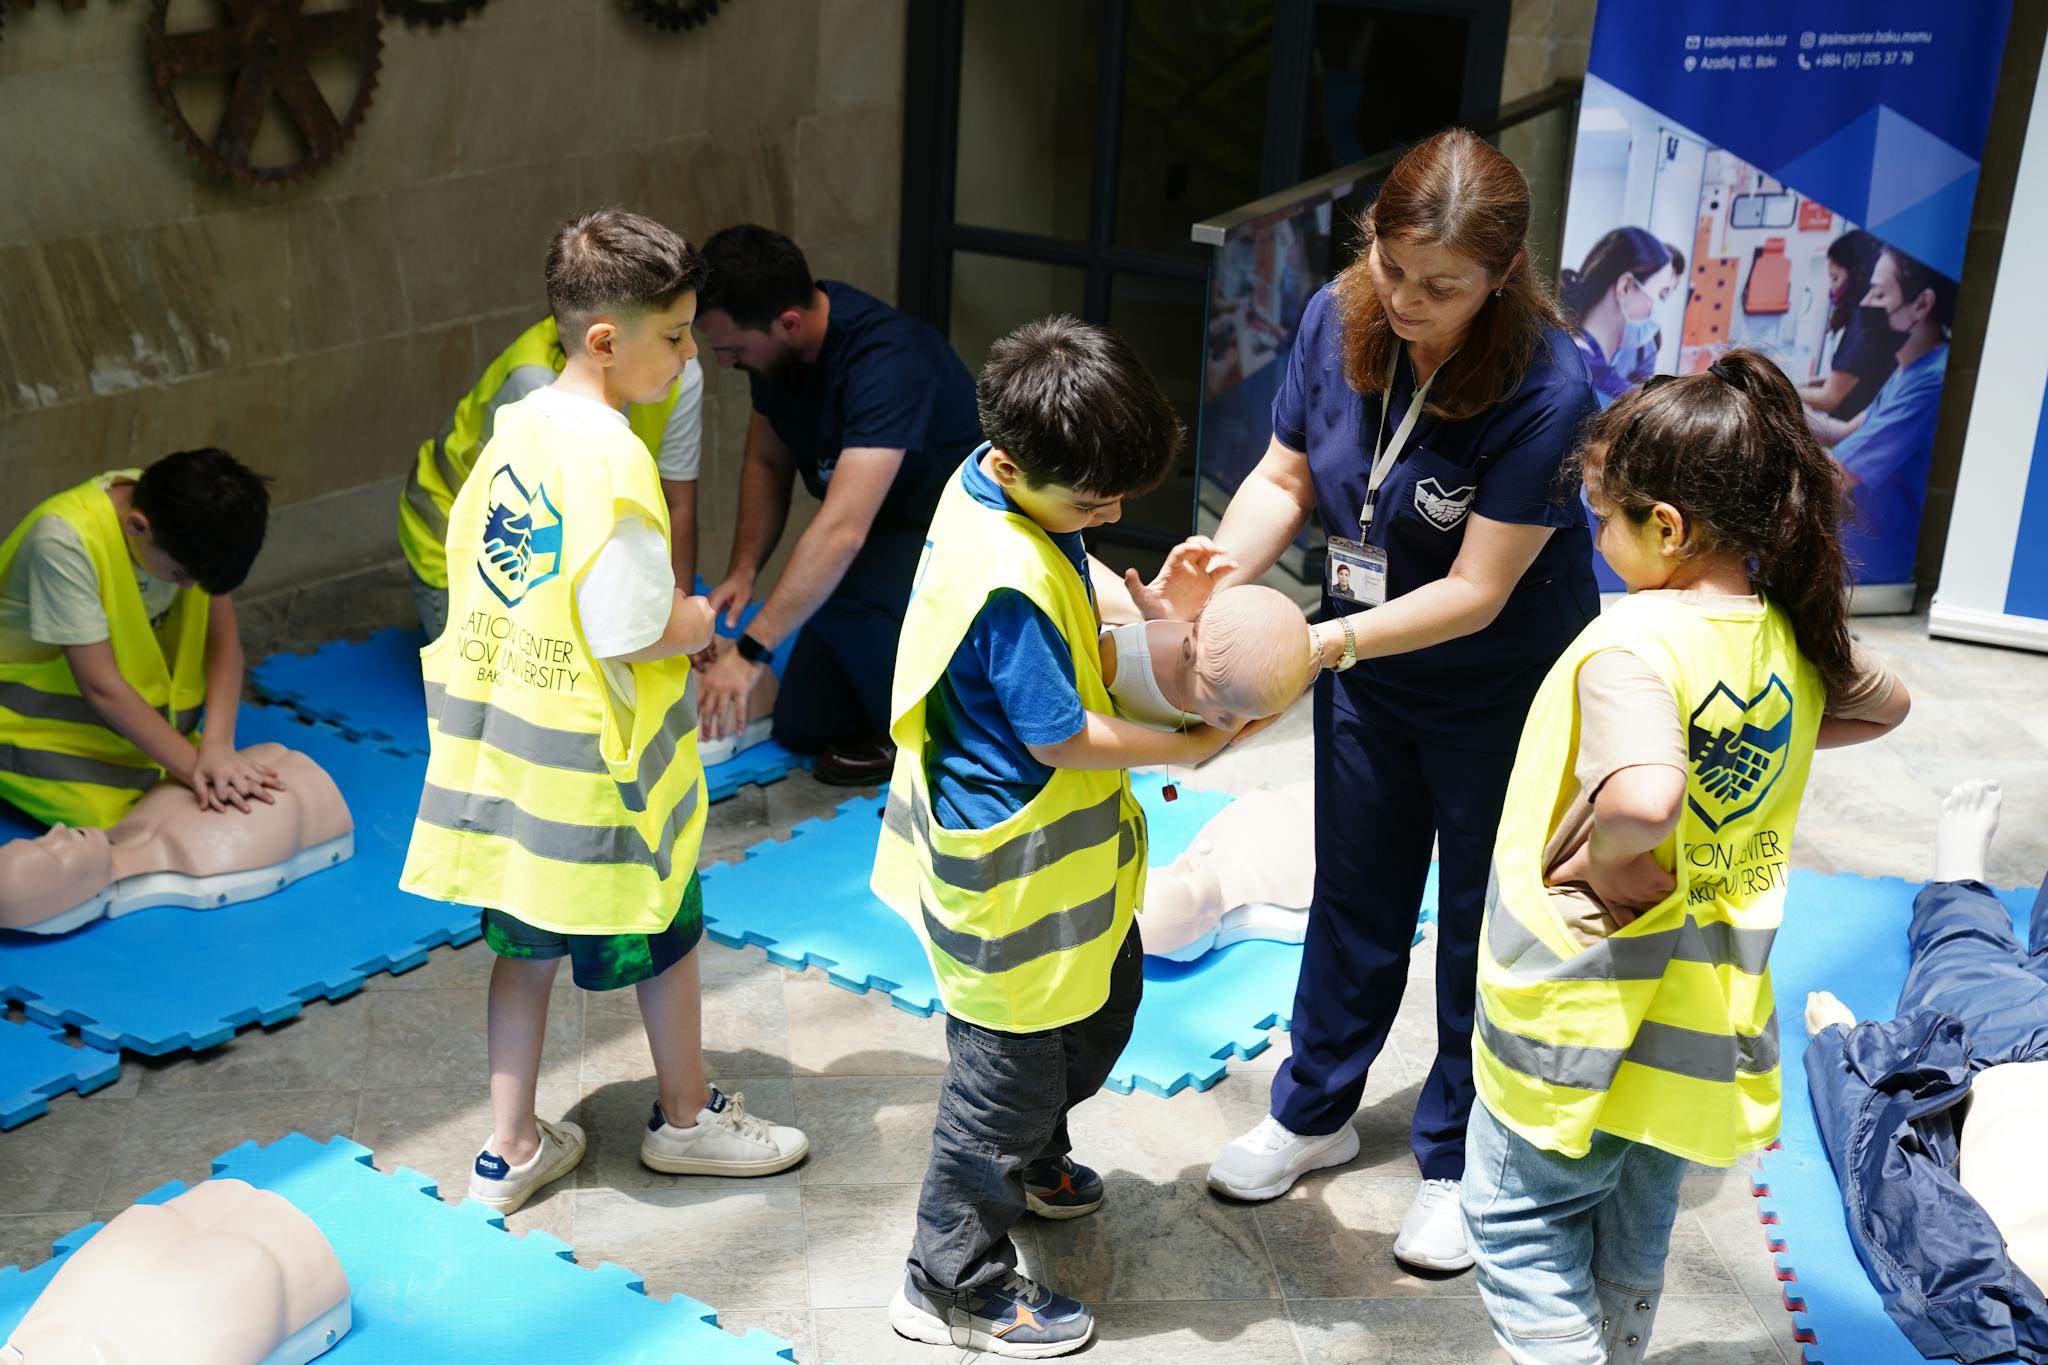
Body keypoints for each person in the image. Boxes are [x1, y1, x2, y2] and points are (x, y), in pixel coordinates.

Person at [1146, 129, 1601, 1273]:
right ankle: (1312, 1110)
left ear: (1501, 275)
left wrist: (1315, 643)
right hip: (1361, 668)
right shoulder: (1334, 314)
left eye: (1440, 285)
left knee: (1477, 928)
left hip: (1502, 683)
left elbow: (1479, 588)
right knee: (1353, 891)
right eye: (1393, 267)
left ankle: (1457, 1158)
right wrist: (1223, 569)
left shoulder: (1547, 383)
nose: (1405, 298)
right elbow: (1286, 476)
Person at [1461, 350, 1911, 1365]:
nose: (1594, 535)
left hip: (1580, 1020)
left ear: (1665, 526)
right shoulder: (1780, 645)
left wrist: (1618, 851)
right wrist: (1787, 707)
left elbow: (1645, 793)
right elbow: (1884, 703)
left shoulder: (1635, 645)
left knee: (1517, 1230)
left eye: (1600, 515)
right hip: (1695, 1027)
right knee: (1631, 1226)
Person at [398, 209, 809, 1217]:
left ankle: (507, 1148)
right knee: (661, 932)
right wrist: (698, 619)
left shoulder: (520, 427)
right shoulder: (610, 456)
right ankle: (682, 1118)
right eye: (674, 337)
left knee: (523, 952)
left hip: (511, 757)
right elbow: (630, 625)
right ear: (604, 340)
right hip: (600, 774)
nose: (687, 356)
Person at [872, 317, 1258, 1357]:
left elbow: (1073, 587)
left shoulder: (1002, 483)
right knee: (997, 1087)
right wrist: (1187, 744)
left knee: (1099, 1013)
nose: (1110, 513)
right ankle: (947, 1279)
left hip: (1068, 878)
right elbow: (1058, 733)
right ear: (1011, 461)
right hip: (1009, 882)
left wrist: (1151, 606)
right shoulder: (998, 581)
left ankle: (1037, 1159)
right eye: (1094, 502)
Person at [693, 225, 984, 785]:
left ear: (788, 323)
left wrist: (749, 653)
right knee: (803, 725)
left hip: (956, 540)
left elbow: (843, 530)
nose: (725, 363)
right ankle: (906, 704)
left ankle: (951, 741)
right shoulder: (775, 360)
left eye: (732, 348)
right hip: (879, 549)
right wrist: (744, 571)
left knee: (841, 588)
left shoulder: (885, 361)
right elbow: (767, 464)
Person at [1803, 778, 2048, 1364]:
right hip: (2010, 1052)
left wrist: (1847, 1052)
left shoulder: (1988, 1300)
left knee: (1965, 951)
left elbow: (1891, 1180)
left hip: (2003, 1048)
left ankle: (1959, 872)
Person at [0, 449, 275, 829]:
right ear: (136, 526)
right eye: (179, 574)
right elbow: (100, 686)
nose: (189, 587)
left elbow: (223, 640)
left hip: (124, 728)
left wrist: (217, 747)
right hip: (29, 727)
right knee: (121, 825)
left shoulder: (190, 515)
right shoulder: (63, 543)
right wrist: (198, 770)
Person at [396, 315, 706, 642]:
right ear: (605, 343)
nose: (692, 349)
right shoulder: (538, 390)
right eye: (673, 337)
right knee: (500, 682)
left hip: (554, 543)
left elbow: (677, 506)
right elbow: (528, 548)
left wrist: (675, 618)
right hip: (468, 543)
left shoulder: (680, 375)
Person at [0, 742, 350, 935]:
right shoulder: (205, 861)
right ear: (71, 897)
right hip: (319, 795)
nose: (58, 832)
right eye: (54, 854)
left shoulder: (132, 822)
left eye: (41, 840)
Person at [1806, 245, 1955, 586]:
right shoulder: (1906, 369)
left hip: (1884, 552)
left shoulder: (1931, 381)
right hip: (1865, 535)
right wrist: (1783, 407)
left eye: (1879, 293)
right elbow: (1843, 432)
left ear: (1922, 304)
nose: (1865, 303)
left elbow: (1838, 475)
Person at [1100, 583, 1311, 732]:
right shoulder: (1122, 661)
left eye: (1247, 715)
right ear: (1188, 651)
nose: (1230, 726)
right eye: (1223, 709)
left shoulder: (1236, 689)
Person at [1559, 228, 1684, 409]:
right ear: (1625, 287)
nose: (1658, 308)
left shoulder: (1565, 346)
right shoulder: (1592, 382)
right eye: (1661, 294)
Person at [1798, 229, 1890, 421]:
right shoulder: (1866, 320)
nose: (1832, 288)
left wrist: (1776, 390)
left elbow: (1829, 398)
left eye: (1835, 277)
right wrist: (1800, 385)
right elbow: (1843, 380)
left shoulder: (1865, 325)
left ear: (1857, 273)